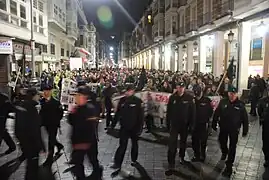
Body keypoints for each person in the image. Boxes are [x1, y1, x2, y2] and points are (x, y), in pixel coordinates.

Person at [212, 86, 249, 177]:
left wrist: (245, 130)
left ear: (236, 94)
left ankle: (229, 165)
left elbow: (245, 119)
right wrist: (214, 123)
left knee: (233, 147)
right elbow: (217, 113)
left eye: (234, 94)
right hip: (224, 127)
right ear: (228, 93)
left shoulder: (240, 105)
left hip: (234, 129)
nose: (232, 95)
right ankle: (225, 152)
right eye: (230, 93)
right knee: (221, 141)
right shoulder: (223, 102)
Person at [68, 86, 103, 180]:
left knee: (93, 160)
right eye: (76, 96)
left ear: (84, 97)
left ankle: (98, 173)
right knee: (78, 164)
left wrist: (86, 142)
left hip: (88, 141)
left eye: (78, 95)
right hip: (78, 142)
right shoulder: (76, 109)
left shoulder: (90, 109)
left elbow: (90, 126)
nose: (76, 98)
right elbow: (72, 122)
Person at [111, 84, 144, 169]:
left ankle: (134, 160)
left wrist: (140, 128)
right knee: (122, 146)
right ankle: (117, 163)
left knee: (134, 145)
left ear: (132, 91)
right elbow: (117, 113)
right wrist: (112, 125)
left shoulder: (138, 101)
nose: (126, 92)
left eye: (128, 91)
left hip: (134, 128)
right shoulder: (122, 100)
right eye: (125, 91)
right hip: (124, 127)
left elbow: (141, 116)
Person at [14, 88, 45, 180]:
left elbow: (17, 128)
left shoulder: (21, 106)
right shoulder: (31, 109)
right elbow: (34, 129)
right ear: (33, 96)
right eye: (37, 95)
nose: (39, 96)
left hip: (25, 142)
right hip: (32, 144)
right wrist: (40, 145)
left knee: (30, 166)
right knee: (32, 168)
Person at [166, 82, 195, 173]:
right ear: (177, 87)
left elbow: (193, 113)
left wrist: (191, 125)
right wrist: (167, 124)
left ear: (184, 88)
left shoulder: (189, 98)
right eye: (179, 87)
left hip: (184, 126)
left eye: (182, 87)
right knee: (172, 144)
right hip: (174, 125)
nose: (181, 89)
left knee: (183, 143)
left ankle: (182, 156)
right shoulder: (172, 98)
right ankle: (171, 163)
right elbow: (168, 112)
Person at [39, 86, 64, 166]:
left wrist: (57, 121)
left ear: (51, 91)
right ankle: (59, 146)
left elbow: (61, 113)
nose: (46, 92)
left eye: (47, 91)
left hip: (53, 124)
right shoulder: (42, 101)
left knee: (51, 140)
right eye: (44, 91)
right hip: (45, 124)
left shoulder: (56, 102)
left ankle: (49, 159)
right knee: (51, 138)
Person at [192, 87, 213, 162]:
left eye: (198, 93)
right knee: (195, 141)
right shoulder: (192, 100)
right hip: (194, 124)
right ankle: (196, 155)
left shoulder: (207, 100)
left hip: (203, 124)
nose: (197, 95)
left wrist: (208, 120)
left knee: (203, 141)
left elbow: (211, 111)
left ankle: (202, 155)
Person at [257, 92, 269, 167]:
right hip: (266, 125)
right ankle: (267, 158)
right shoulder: (263, 101)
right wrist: (263, 118)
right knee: (266, 142)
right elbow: (259, 110)